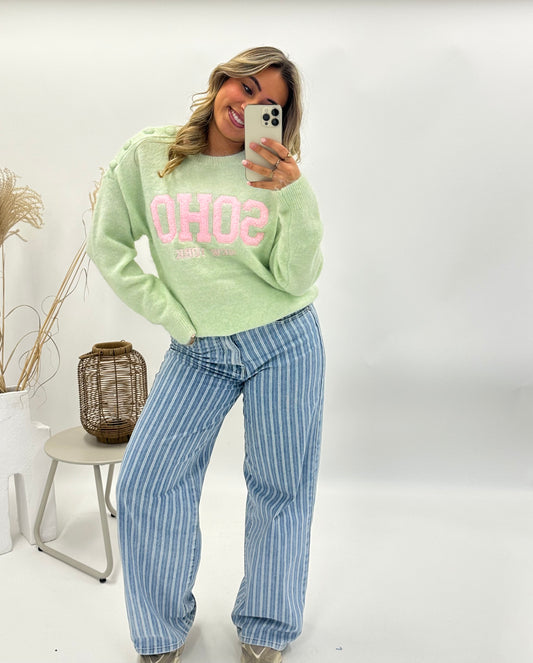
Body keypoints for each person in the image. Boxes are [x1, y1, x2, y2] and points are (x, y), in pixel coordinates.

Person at [88, 46, 325, 663]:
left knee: (280, 486)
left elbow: (297, 278)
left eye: (270, 103)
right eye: (245, 87)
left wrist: (295, 194)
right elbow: (108, 245)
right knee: (147, 481)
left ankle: (267, 625)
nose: (249, 106)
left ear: (282, 120)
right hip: (198, 350)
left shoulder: (273, 174)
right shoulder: (151, 154)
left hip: (284, 340)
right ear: (222, 80)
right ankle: (161, 630)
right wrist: (173, 316)